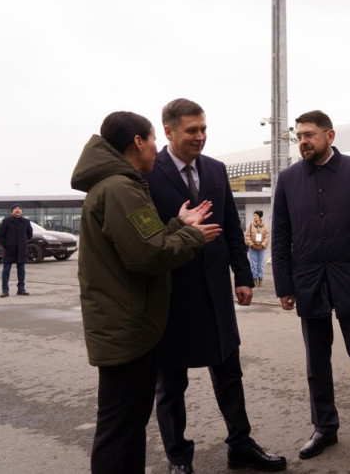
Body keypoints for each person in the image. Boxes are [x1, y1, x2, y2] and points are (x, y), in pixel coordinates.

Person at [70, 111, 222, 473]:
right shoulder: (121, 189)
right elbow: (149, 255)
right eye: (153, 139)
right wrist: (192, 236)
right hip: (126, 327)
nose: (156, 148)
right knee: (119, 429)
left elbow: (143, 242)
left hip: (126, 324)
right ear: (137, 142)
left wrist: (178, 223)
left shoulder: (119, 185)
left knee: (128, 424)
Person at [144, 98, 286, 473]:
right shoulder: (148, 173)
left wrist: (243, 276)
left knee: (229, 375)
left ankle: (240, 445)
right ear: (168, 131)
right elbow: (146, 241)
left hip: (215, 293)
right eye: (191, 130)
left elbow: (230, 229)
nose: (200, 136)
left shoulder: (216, 169)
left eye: (204, 129)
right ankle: (178, 458)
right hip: (171, 295)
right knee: (170, 386)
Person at [271, 110, 350, 465]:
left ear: (330, 135)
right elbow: (281, 236)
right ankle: (324, 428)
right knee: (316, 361)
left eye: (309, 134)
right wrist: (284, 285)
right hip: (309, 282)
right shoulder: (288, 179)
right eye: (299, 136)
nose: (303, 141)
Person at [0, 204, 33, 297]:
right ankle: (5, 290)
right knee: (6, 270)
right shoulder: (6, 221)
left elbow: (29, 234)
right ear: (12, 211)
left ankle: (21, 289)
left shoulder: (26, 222)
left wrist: (23, 242)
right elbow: (0, 236)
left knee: (21, 270)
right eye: (15, 209)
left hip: (21, 250)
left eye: (19, 209)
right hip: (9, 250)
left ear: (22, 211)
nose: (17, 210)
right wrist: (6, 245)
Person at [245, 210, 270, 286]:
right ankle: (254, 279)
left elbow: (267, 237)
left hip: (262, 248)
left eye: (256, 215)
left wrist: (262, 245)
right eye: (253, 215)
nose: (254, 217)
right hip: (252, 248)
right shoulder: (250, 226)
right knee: (253, 264)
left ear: (259, 217)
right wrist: (252, 245)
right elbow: (247, 236)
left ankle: (260, 279)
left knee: (261, 264)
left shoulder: (265, 226)